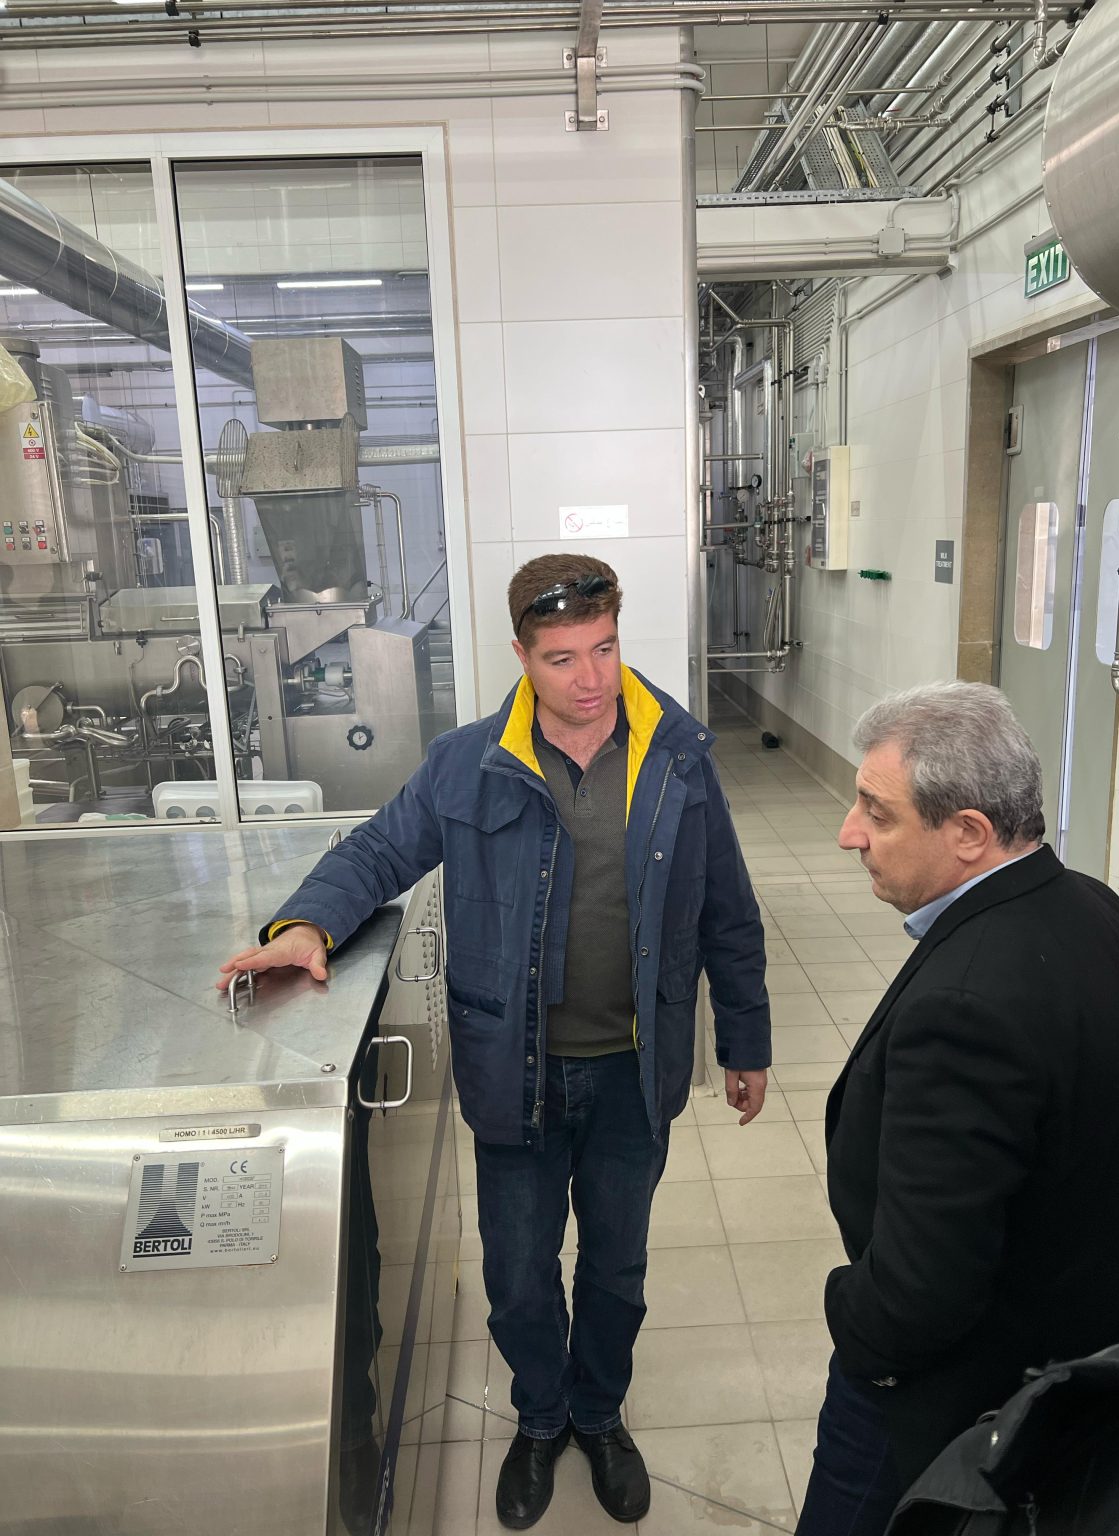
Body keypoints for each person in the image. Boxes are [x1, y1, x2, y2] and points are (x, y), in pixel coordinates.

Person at [218, 553, 771, 1530]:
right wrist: (305, 925)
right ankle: (541, 1417)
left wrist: (746, 1039)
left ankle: (599, 1415)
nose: (591, 678)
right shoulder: (467, 764)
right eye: (563, 659)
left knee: (617, 1270)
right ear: (521, 655)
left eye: (604, 649)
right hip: (516, 1071)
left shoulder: (676, 759)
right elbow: (376, 851)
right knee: (517, 1278)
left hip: (634, 1069)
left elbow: (727, 909)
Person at [794, 681, 1119, 1536]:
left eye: (877, 813)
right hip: (1083, 1350)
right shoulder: (1097, 905)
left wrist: (852, 1322)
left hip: (951, 1398)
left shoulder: (963, 1010)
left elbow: (922, 1291)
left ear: (967, 833)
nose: (849, 833)